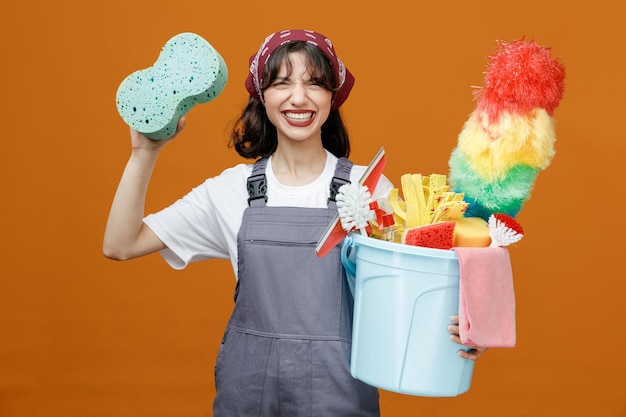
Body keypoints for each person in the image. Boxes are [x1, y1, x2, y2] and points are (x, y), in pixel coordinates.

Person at [103, 29, 486, 416]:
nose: (299, 98)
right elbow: (120, 244)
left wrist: (469, 325)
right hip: (248, 397)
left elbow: (412, 288)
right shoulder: (231, 190)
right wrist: (143, 154)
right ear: (262, 95)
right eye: (282, 83)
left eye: (315, 84)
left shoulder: (367, 188)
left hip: (339, 396)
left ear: (332, 98)